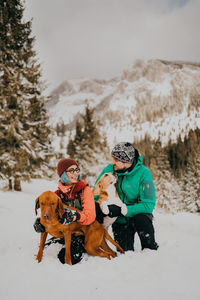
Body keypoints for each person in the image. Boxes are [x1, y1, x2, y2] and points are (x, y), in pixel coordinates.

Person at [94, 142, 159, 252]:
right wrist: (98, 208)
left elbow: (148, 205)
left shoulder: (143, 173)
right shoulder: (110, 170)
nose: (112, 162)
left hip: (138, 215)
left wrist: (122, 210)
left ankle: (150, 249)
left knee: (142, 219)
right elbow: (96, 192)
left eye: (116, 159)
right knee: (125, 252)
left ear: (127, 161)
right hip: (120, 220)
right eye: (112, 158)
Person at [34, 158, 96, 264]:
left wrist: (75, 216)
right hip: (65, 232)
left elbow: (90, 216)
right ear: (63, 174)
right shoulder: (57, 194)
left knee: (65, 258)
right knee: (47, 247)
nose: (75, 173)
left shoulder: (85, 190)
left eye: (77, 170)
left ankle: (86, 247)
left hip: (81, 232)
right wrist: (41, 221)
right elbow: (50, 212)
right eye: (71, 171)